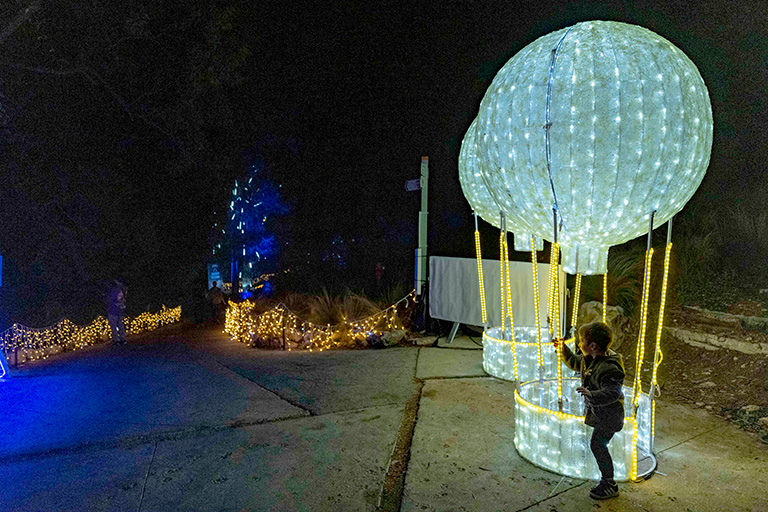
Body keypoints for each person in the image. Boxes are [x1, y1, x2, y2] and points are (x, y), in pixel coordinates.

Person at [552, 322, 625, 500]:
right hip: (600, 413)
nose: (578, 344)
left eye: (581, 341)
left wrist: (592, 394)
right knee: (597, 445)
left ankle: (609, 484)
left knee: (598, 446)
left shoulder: (609, 368)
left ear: (592, 346)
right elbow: (575, 362)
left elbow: (613, 392)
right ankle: (608, 480)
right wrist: (563, 349)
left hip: (609, 416)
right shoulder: (589, 358)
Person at [107, 279, 127, 345]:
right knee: (120, 324)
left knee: (113, 326)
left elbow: (110, 300)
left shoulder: (113, 290)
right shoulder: (122, 290)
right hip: (120, 310)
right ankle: (122, 338)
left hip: (113, 310)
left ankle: (116, 340)